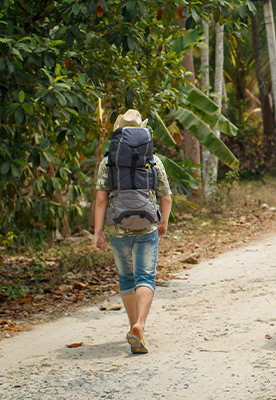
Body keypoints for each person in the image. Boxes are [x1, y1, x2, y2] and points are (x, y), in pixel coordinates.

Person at [93, 109, 172, 354]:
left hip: (117, 227)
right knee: (146, 277)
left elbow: (100, 200)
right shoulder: (153, 160)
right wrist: (163, 222)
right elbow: (166, 197)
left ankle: (131, 326)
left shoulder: (109, 161)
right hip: (147, 225)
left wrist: (97, 232)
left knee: (127, 278)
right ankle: (140, 325)